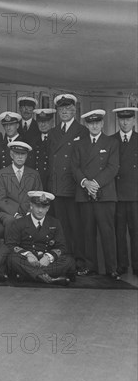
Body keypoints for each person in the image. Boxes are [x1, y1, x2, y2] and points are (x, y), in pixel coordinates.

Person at [72, 109, 120, 279]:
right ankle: (90, 266)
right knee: (87, 232)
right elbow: (75, 168)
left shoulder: (111, 143)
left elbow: (113, 167)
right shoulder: (78, 144)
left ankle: (112, 268)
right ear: (87, 124)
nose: (94, 125)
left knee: (107, 232)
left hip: (105, 194)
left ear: (102, 124)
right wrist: (86, 183)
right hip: (85, 193)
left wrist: (96, 184)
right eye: (91, 123)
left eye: (97, 123)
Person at [48, 93, 88, 265]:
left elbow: (86, 161)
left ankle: (79, 258)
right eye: (61, 109)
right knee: (61, 225)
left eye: (68, 109)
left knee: (76, 225)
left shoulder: (82, 131)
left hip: (73, 185)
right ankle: (63, 257)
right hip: (57, 185)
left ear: (74, 111)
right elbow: (50, 160)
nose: (64, 112)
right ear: (58, 111)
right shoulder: (53, 132)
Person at [6, 191, 75, 285]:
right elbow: (11, 245)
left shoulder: (55, 222)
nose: (40, 210)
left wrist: (49, 257)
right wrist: (28, 254)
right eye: (37, 206)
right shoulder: (20, 223)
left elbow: (62, 247)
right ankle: (47, 277)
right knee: (12, 259)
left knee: (69, 260)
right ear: (31, 206)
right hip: (28, 260)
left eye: (44, 207)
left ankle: (30, 275)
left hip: (46, 262)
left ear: (48, 208)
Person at [112, 107, 138, 275]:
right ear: (118, 121)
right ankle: (122, 265)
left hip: (136, 194)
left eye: (128, 119)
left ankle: (137, 266)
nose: (125, 122)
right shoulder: (111, 140)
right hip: (117, 194)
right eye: (122, 119)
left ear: (134, 121)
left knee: (136, 232)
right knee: (119, 233)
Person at [0, 141, 42, 229]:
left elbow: (37, 197)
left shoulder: (34, 174)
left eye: (23, 154)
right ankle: (11, 243)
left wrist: (29, 212)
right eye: (17, 153)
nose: (20, 157)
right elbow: (0, 199)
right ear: (11, 155)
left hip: (28, 211)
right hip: (7, 212)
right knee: (11, 221)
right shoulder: (1, 174)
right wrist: (15, 214)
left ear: (27, 156)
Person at [26, 108, 56, 189]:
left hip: (54, 184)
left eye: (46, 122)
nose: (43, 125)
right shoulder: (33, 141)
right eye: (40, 122)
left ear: (52, 122)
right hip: (37, 183)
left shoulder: (57, 140)